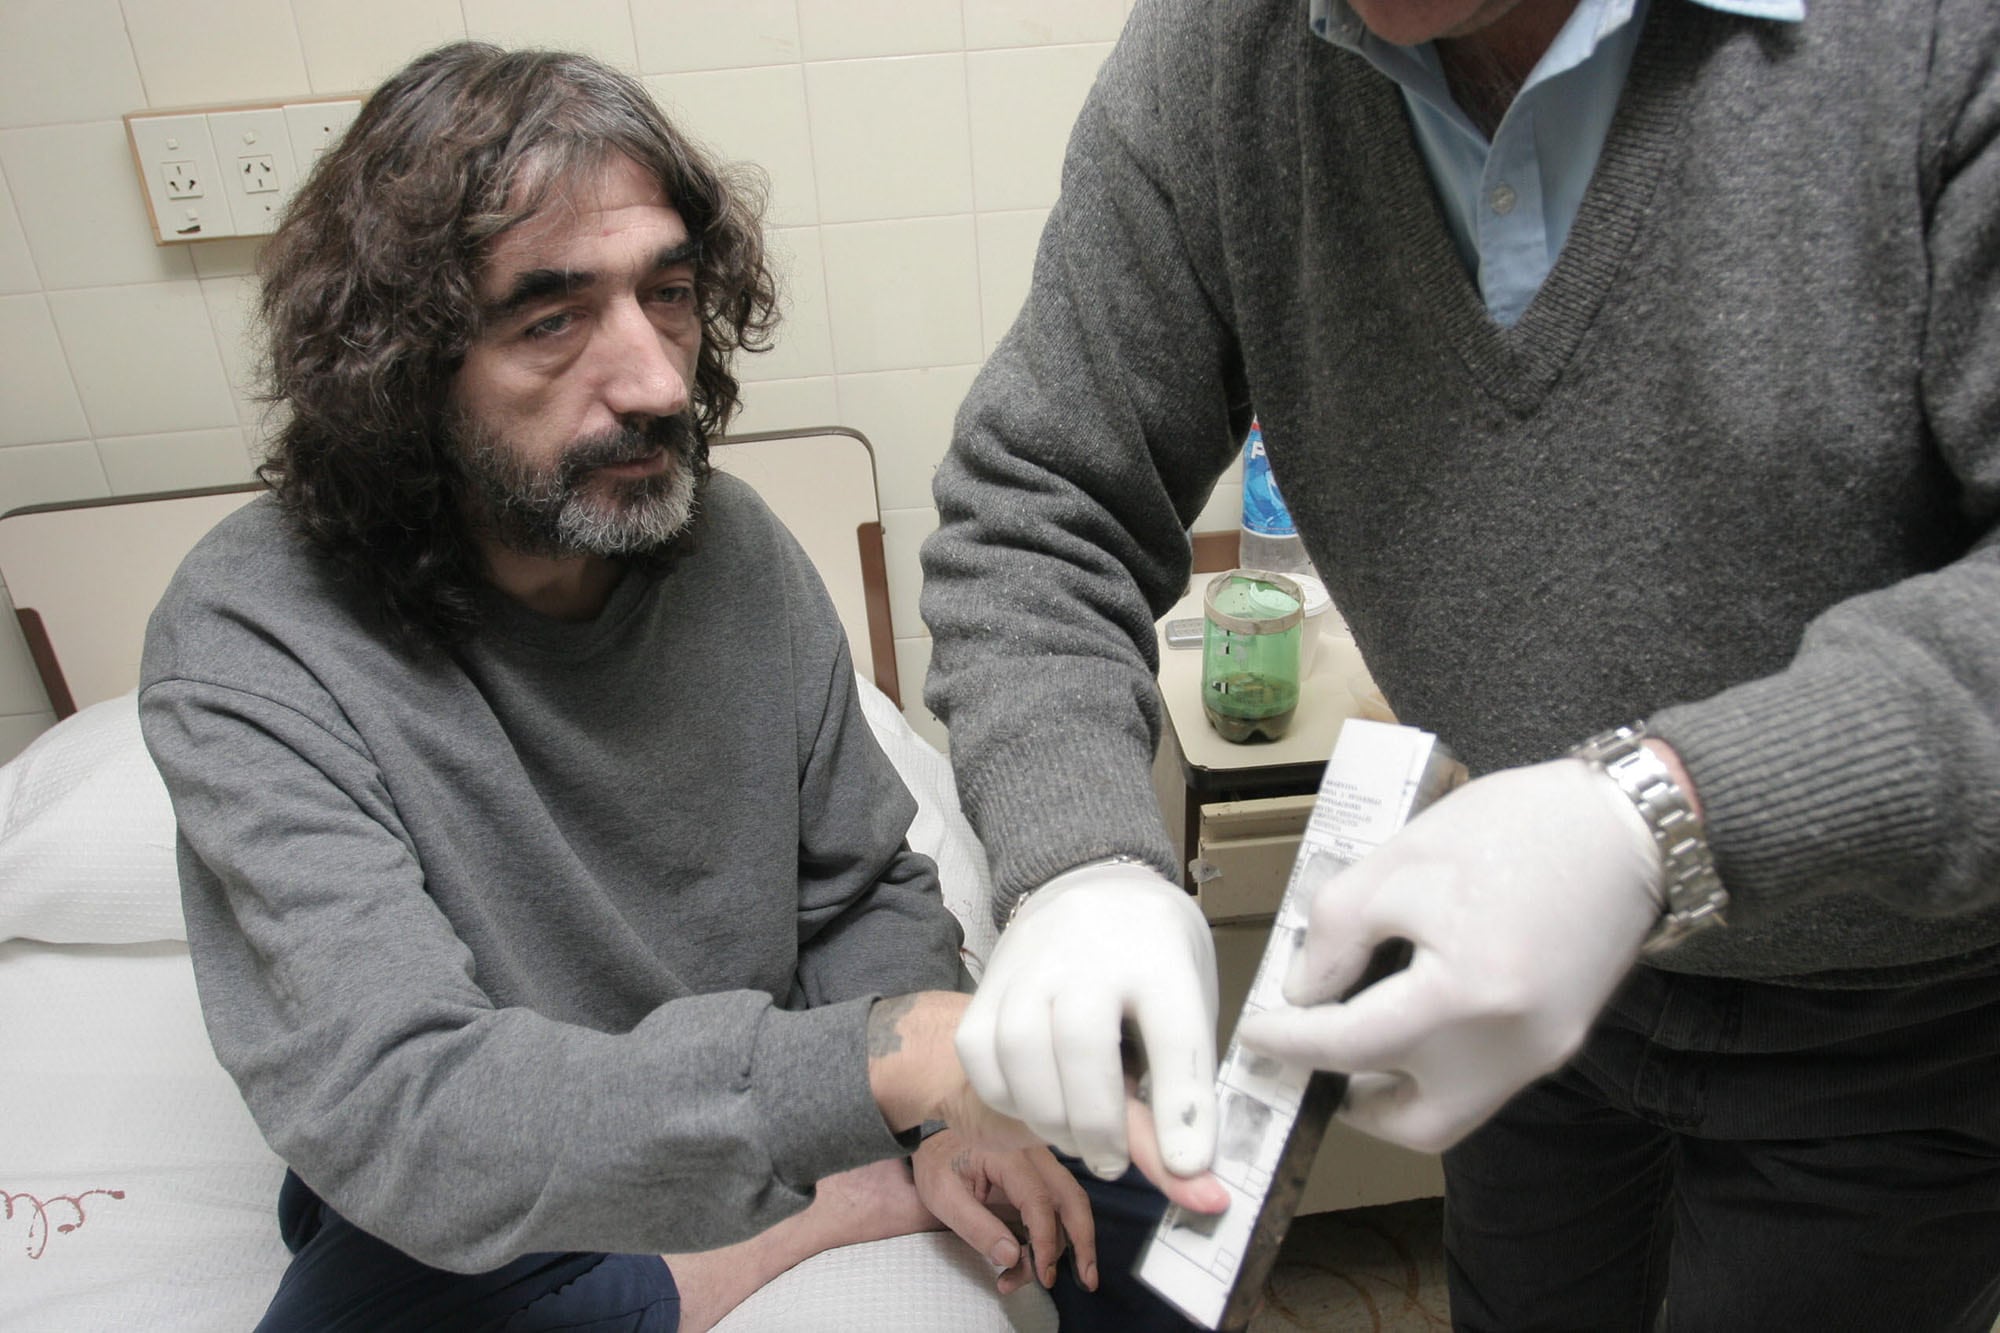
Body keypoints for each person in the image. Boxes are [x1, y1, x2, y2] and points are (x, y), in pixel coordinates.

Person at [921, 0, 2000, 1328]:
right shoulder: (1221, 59)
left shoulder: (1937, 39)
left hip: (1895, 1010)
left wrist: (1656, 813)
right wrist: (1076, 854)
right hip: (1512, 983)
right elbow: (1037, 505)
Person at [136, 42, 1219, 1333]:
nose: (654, 380)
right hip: (506, 1187)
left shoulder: (734, 549)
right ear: (399, 368)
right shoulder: (257, 632)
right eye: (550, 318)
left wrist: (936, 1108)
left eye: (671, 294)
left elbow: (860, 884)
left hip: (790, 1096)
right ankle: (802, 1219)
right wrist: (889, 1075)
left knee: (1159, 1192)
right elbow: (412, 1119)